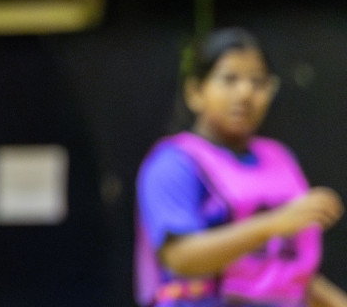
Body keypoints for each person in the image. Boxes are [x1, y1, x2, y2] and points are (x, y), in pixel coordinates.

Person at [136, 28, 347, 307]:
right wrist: (271, 224)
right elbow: (179, 258)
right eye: (229, 79)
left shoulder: (278, 158)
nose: (245, 93)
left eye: (258, 82)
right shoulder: (175, 163)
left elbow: (290, 275)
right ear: (195, 91)